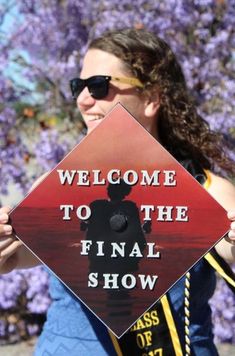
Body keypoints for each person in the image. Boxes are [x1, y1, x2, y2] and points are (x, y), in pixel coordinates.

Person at [0, 28, 235, 355]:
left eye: (99, 86)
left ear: (152, 98)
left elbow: (230, 247)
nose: (83, 99)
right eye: (77, 86)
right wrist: (4, 251)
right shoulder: (60, 183)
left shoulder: (206, 189)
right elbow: (20, 255)